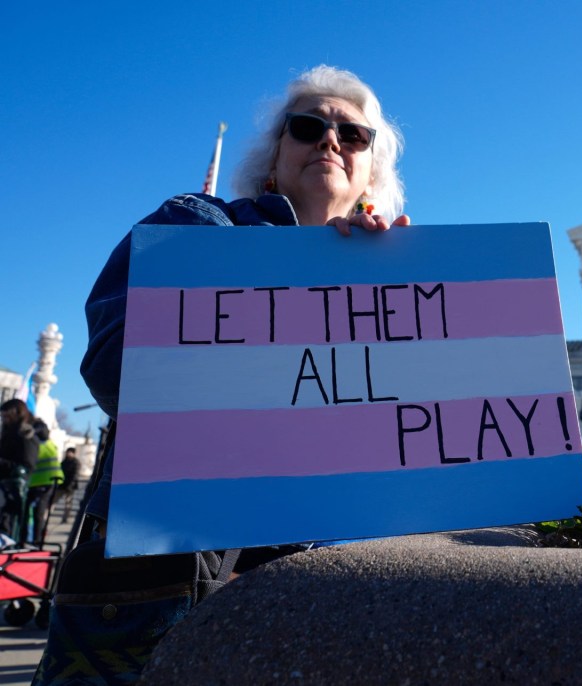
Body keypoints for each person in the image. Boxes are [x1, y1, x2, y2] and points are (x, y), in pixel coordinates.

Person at [40, 65, 410, 684]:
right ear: (273, 158)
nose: (330, 141)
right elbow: (116, 368)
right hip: (163, 593)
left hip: (321, 600)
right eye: (308, 126)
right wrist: (301, 285)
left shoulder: (392, 280)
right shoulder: (198, 224)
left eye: (354, 136)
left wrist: (383, 298)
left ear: (371, 172)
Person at [0, 399, 39, 540]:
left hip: (12, 491)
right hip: (5, 487)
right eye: (3, 417)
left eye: (7, 417)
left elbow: (27, 466)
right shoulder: (6, 433)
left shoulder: (25, 435)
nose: (4, 420)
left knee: (7, 527)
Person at [24, 420, 63, 546]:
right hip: (46, 482)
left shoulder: (39, 444)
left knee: (37, 514)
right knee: (37, 514)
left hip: (44, 482)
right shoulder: (49, 443)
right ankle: (35, 541)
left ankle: (35, 541)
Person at [57, 446, 81, 524]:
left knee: (68, 503)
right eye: (67, 452)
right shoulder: (64, 462)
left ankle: (65, 518)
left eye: (70, 452)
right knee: (54, 500)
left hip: (70, 487)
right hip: (61, 485)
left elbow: (75, 475)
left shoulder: (76, 463)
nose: (68, 454)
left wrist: (70, 485)